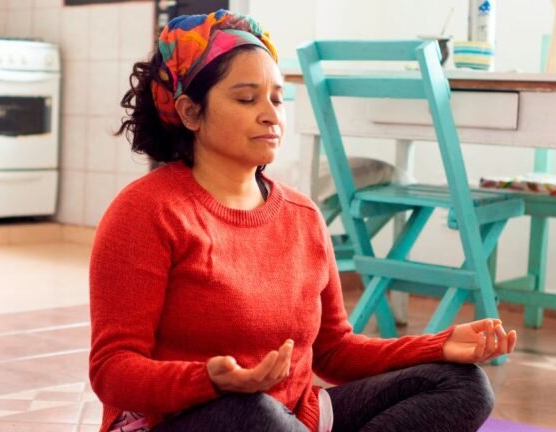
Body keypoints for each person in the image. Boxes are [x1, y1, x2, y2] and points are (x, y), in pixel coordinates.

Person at [89, 9, 517, 432]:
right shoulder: (145, 212)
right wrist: (209, 382)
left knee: (463, 385)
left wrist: (438, 345)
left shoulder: (303, 216)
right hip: (192, 420)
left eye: (277, 98)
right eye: (246, 98)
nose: (271, 115)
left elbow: (335, 351)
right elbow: (111, 370)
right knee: (251, 412)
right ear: (190, 112)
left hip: (295, 419)